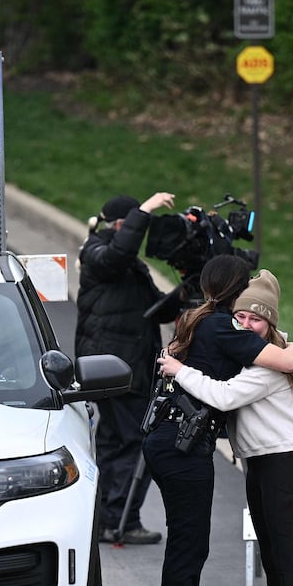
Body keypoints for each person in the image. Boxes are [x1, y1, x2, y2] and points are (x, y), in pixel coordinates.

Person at [143, 255, 293, 586]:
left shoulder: (199, 320)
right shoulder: (221, 327)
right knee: (188, 548)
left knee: (186, 547)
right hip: (183, 446)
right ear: (236, 289)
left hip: (170, 441)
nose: (246, 321)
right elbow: (283, 364)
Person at [75, 191, 178, 545]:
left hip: (124, 366)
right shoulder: (97, 252)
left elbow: (154, 310)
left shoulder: (129, 265)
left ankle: (108, 518)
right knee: (135, 440)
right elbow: (116, 255)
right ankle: (121, 519)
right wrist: (146, 210)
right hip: (115, 368)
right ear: (122, 224)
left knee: (114, 442)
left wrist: (185, 293)